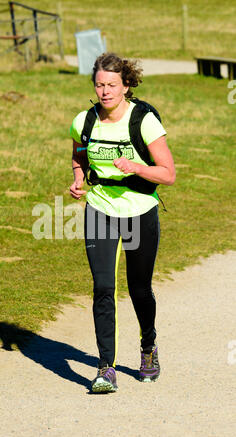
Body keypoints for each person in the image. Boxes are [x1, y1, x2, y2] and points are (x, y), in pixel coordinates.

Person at [69, 52, 175, 393]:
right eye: (99, 84)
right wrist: (78, 178)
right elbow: (79, 152)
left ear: (126, 85)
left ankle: (148, 347)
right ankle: (105, 367)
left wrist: (138, 168)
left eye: (112, 84)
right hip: (99, 208)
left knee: (139, 289)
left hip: (140, 209)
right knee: (103, 287)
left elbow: (168, 174)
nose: (105, 91)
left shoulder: (143, 121)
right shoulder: (84, 121)